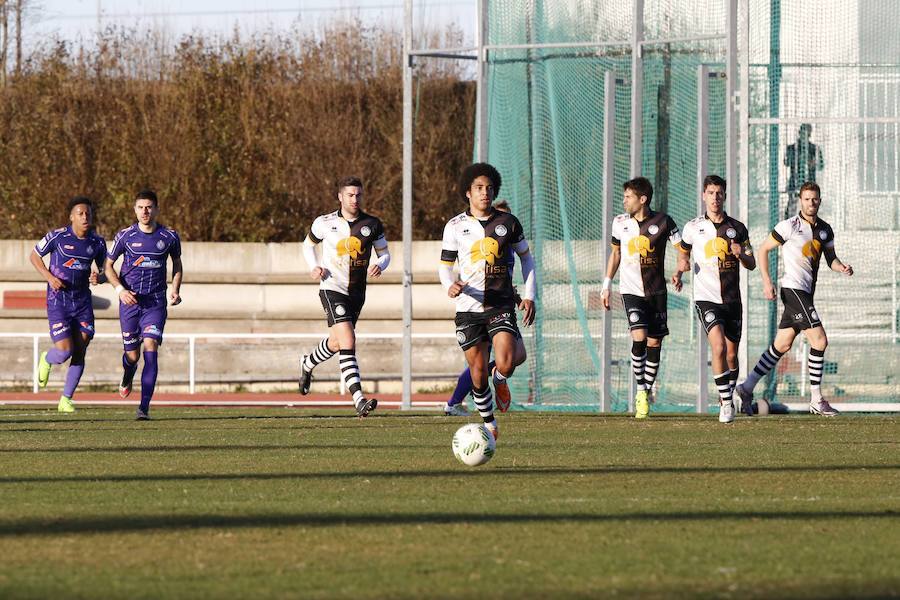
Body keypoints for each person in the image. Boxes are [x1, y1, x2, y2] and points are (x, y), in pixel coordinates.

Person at [735, 182, 852, 416]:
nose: (811, 203)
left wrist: (842, 267)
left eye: (815, 199)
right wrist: (767, 281)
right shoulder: (789, 226)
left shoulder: (825, 229)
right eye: (807, 199)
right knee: (819, 341)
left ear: (820, 200)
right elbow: (763, 250)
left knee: (782, 345)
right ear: (801, 200)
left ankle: (746, 388)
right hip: (792, 290)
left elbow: (831, 258)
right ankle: (817, 399)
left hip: (806, 293)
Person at [439, 163, 536, 439]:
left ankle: (501, 379)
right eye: (479, 188)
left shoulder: (508, 222)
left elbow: (526, 258)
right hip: (468, 308)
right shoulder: (455, 226)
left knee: (505, 362)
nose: (485, 193)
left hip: (499, 304)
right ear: (468, 193)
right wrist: (450, 284)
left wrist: (529, 295)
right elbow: (445, 265)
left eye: (489, 188)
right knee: (478, 372)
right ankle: (490, 423)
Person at [298, 176, 389, 417]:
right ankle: (359, 399)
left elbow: (385, 253)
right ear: (340, 197)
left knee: (337, 343)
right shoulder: (324, 222)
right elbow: (308, 245)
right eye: (350, 195)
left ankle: (307, 363)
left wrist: (381, 264)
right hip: (332, 287)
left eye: (358, 195)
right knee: (348, 341)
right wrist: (314, 266)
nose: (355, 199)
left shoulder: (372, 223)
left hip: (357, 293)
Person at [675, 175, 756, 423]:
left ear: (725, 195)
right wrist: (679, 271)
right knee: (718, 347)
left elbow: (751, 264)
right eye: (710, 193)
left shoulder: (738, 228)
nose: (715, 197)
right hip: (706, 298)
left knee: (732, 355)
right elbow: (683, 254)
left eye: (719, 193)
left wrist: (741, 254)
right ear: (703, 196)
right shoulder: (692, 227)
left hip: (732, 299)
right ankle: (726, 404)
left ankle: (728, 394)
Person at [600, 177, 683, 419]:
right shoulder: (619, 223)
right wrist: (607, 284)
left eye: (628, 197)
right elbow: (615, 254)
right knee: (639, 337)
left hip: (657, 291)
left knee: (655, 343)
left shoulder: (664, 222)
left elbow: (682, 250)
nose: (624, 201)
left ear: (642, 199)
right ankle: (639, 389)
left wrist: (679, 270)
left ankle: (646, 390)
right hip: (630, 291)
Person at [443, 200, 527, 416]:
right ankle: (454, 402)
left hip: (501, 305)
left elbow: (505, 278)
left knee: (517, 356)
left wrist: (519, 297)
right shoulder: (473, 238)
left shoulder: (507, 247)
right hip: (477, 307)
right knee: (481, 363)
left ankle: (496, 379)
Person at [105, 190, 183, 421]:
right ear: (135, 210)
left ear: (156, 209)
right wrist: (120, 291)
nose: (145, 211)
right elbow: (108, 266)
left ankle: (144, 408)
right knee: (132, 356)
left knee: (151, 349)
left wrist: (175, 289)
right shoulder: (125, 236)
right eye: (140, 207)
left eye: (149, 207)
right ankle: (128, 375)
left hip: (155, 303)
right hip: (130, 303)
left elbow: (177, 265)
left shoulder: (169, 236)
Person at [30, 197, 108, 413]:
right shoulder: (57, 237)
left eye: (88, 213)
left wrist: (99, 277)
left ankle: (66, 400)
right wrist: (48, 276)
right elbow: (34, 255)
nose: (85, 217)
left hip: (82, 302)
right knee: (64, 351)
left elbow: (105, 270)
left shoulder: (97, 242)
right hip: (59, 303)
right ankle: (46, 358)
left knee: (80, 349)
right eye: (81, 213)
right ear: (71, 217)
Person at [784, 123, 823, 218]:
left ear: (810, 134)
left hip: (810, 182)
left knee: (810, 207)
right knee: (791, 207)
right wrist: (796, 158)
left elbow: (821, 166)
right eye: (803, 133)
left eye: (807, 133)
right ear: (799, 133)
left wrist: (813, 163)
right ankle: (788, 227)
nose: (805, 136)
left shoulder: (815, 149)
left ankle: (810, 228)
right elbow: (786, 163)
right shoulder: (791, 148)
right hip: (795, 181)